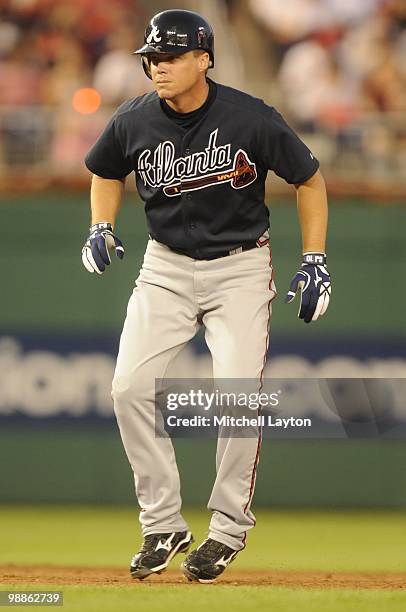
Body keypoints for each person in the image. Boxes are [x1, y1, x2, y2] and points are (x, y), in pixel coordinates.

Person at [82, 9, 331, 584]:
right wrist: (100, 224)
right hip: (164, 265)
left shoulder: (250, 117)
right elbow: (104, 170)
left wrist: (314, 258)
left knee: (238, 398)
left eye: (170, 56)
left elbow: (309, 179)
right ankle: (162, 523)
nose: (158, 66)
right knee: (127, 389)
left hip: (240, 267)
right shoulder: (135, 118)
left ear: (204, 58)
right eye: (153, 57)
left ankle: (226, 531)